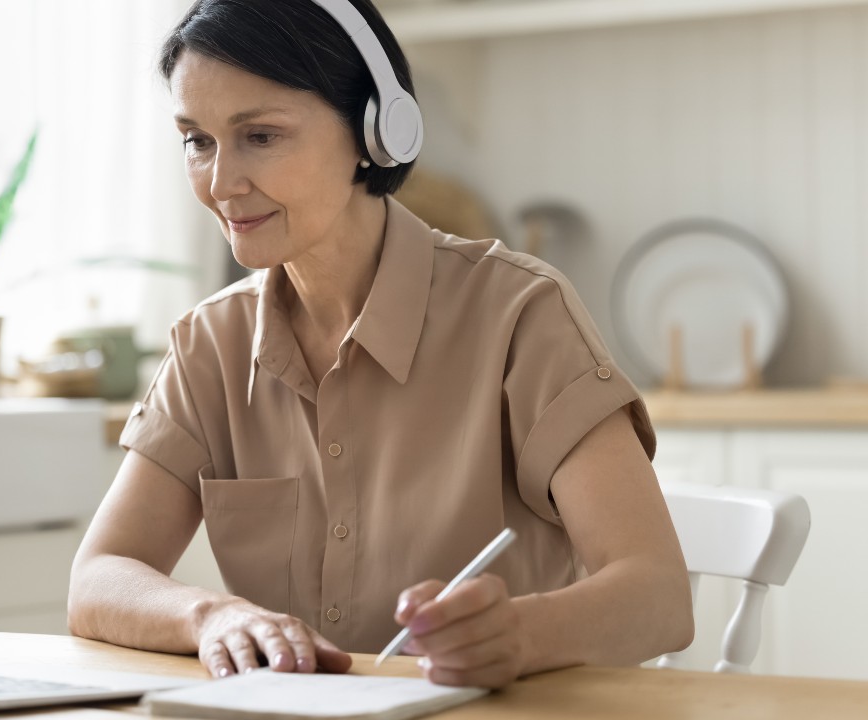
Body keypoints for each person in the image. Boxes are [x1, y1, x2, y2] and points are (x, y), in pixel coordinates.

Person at [67, 0, 693, 689]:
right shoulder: (209, 344)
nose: (221, 184)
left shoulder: (519, 314)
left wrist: (519, 636)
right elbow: (99, 578)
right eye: (198, 140)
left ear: (377, 129)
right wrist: (209, 616)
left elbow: (658, 596)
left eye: (261, 137)